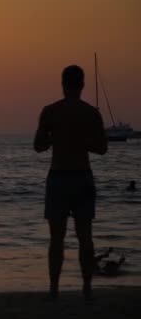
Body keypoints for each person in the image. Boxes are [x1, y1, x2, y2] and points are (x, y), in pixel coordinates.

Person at [34, 65, 108, 300]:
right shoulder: (91, 113)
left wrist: (57, 138)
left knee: (57, 238)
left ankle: (54, 289)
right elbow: (102, 148)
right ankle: (87, 288)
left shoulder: (50, 111)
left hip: (59, 178)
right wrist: (81, 141)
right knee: (85, 235)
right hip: (82, 176)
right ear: (82, 84)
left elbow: (39, 146)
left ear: (63, 84)